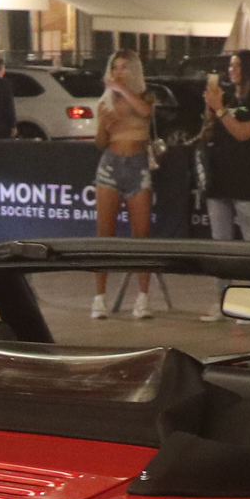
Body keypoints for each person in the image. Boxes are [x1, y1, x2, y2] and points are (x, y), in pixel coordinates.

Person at [90, 51, 156, 319]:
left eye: (124, 67)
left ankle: (142, 298)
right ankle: (99, 297)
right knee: (105, 233)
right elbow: (100, 142)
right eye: (114, 67)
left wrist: (120, 89)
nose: (118, 72)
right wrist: (104, 126)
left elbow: (144, 111)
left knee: (141, 236)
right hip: (110, 165)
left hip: (137, 165)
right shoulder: (105, 102)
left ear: (134, 71)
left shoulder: (145, 96)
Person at [198, 49, 250, 244]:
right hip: (219, 179)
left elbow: (243, 133)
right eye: (230, 65)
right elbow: (207, 134)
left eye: (237, 65)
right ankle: (223, 275)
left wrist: (220, 109)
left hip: (246, 181)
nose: (232, 70)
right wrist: (210, 111)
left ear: (249, 69)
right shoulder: (228, 98)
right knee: (220, 242)